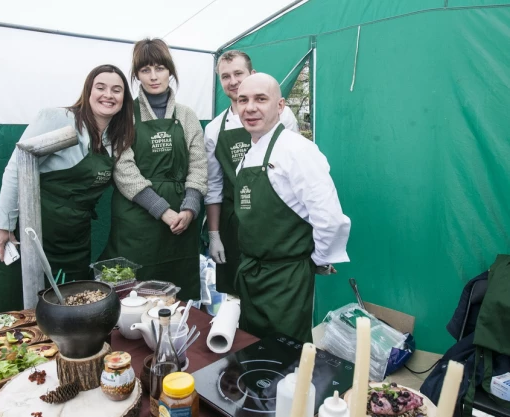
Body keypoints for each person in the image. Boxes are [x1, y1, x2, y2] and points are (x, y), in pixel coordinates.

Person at [0, 64, 135, 314]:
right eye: (101, 87)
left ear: (123, 99)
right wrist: (3, 225)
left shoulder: (117, 138)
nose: (108, 95)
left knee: (69, 310)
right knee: (18, 312)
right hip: (33, 235)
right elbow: (16, 169)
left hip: (75, 241)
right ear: (88, 91)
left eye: (116, 90)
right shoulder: (58, 118)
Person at [234, 73, 351, 343]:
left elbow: (329, 219)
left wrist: (318, 259)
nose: (250, 107)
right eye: (243, 100)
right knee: (252, 349)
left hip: (286, 280)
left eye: (261, 99)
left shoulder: (298, 151)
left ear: (280, 105)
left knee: (286, 358)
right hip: (252, 275)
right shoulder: (247, 157)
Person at [101, 38, 208, 301]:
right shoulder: (126, 114)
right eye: (145, 70)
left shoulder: (186, 115)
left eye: (159, 68)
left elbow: (199, 164)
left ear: (170, 71)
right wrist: (162, 210)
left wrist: (190, 208)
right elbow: (123, 168)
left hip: (182, 219)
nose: (153, 76)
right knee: (133, 292)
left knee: (176, 294)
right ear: (136, 75)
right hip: (137, 217)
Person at [204, 50, 300, 295]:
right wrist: (214, 234)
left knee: (275, 293)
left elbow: (297, 172)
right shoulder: (215, 129)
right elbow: (214, 187)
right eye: (225, 76)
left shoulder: (282, 115)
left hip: (276, 221)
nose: (233, 81)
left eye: (239, 73)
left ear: (252, 74)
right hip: (234, 223)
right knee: (236, 294)